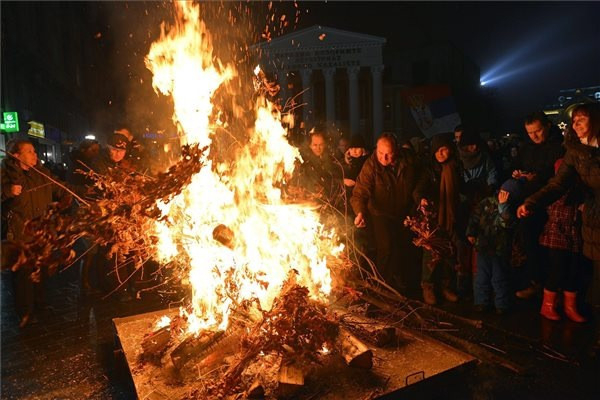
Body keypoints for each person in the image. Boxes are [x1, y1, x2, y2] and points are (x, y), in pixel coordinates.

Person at [518, 103, 600, 315]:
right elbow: (558, 183)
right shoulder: (575, 152)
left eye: (582, 119)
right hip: (593, 218)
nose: (576, 124)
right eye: (574, 120)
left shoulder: (563, 148)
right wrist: (532, 202)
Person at [1, 139, 70, 327]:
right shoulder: (5, 174)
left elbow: (59, 187)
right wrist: (7, 191)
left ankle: (40, 304)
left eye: (34, 151)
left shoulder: (41, 173)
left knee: (40, 269)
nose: (35, 155)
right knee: (23, 273)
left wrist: (68, 194)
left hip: (41, 231)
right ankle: (25, 311)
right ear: (16, 155)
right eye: (29, 151)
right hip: (19, 232)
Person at [351, 133, 421, 290]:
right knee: (386, 248)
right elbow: (359, 193)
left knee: (404, 247)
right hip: (380, 213)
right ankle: (382, 286)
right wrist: (360, 212)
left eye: (388, 154)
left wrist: (420, 197)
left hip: (404, 212)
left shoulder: (408, 160)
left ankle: (403, 284)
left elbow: (422, 177)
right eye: (380, 153)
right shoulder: (371, 166)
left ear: (396, 150)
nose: (383, 158)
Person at [513, 111, 565, 299]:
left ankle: (552, 286)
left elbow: (560, 177)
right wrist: (517, 173)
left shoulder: (560, 147)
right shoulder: (526, 148)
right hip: (528, 200)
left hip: (552, 202)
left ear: (547, 126)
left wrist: (538, 178)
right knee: (528, 241)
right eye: (530, 133)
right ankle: (535, 281)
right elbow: (516, 165)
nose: (534, 136)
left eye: (537, 131)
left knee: (553, 248)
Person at [537, 158, 588, 322]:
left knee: (573, 271)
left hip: (574, 234)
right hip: (557, 233)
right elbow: (551, 207)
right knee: (557, 270)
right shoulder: (555, 189)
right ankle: (548, 306)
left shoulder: (579, 190)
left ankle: (570, 307)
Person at [414, 134, 461, 304]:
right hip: (434, 217)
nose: (440, 154)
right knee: (431, 253)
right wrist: (422, 199)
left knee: (449, 251)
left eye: (444, 149)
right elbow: (418, 190)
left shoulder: (456, 167)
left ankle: (446, 286)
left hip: (452, 216)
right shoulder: (429, 170)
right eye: (437, 151)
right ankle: (428, 286)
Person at [467, 178, 522, 315]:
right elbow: (474, 217)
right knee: (481, 275)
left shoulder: (512, 209)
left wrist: (504, 206)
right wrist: (471, 232)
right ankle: (481, 301)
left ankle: (501, 304)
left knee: (499, 277)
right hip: (483, 245)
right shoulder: (486, 202)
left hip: (500, 249)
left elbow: (507, 223)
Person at [297, 131, 341, 204]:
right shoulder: (304, 163)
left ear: (324, 145)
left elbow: (332, 177)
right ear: (310, 145)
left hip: (328, 202)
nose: (318, 148)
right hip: (310, 202)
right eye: (315, 145)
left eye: (321, 145)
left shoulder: (330, 160)